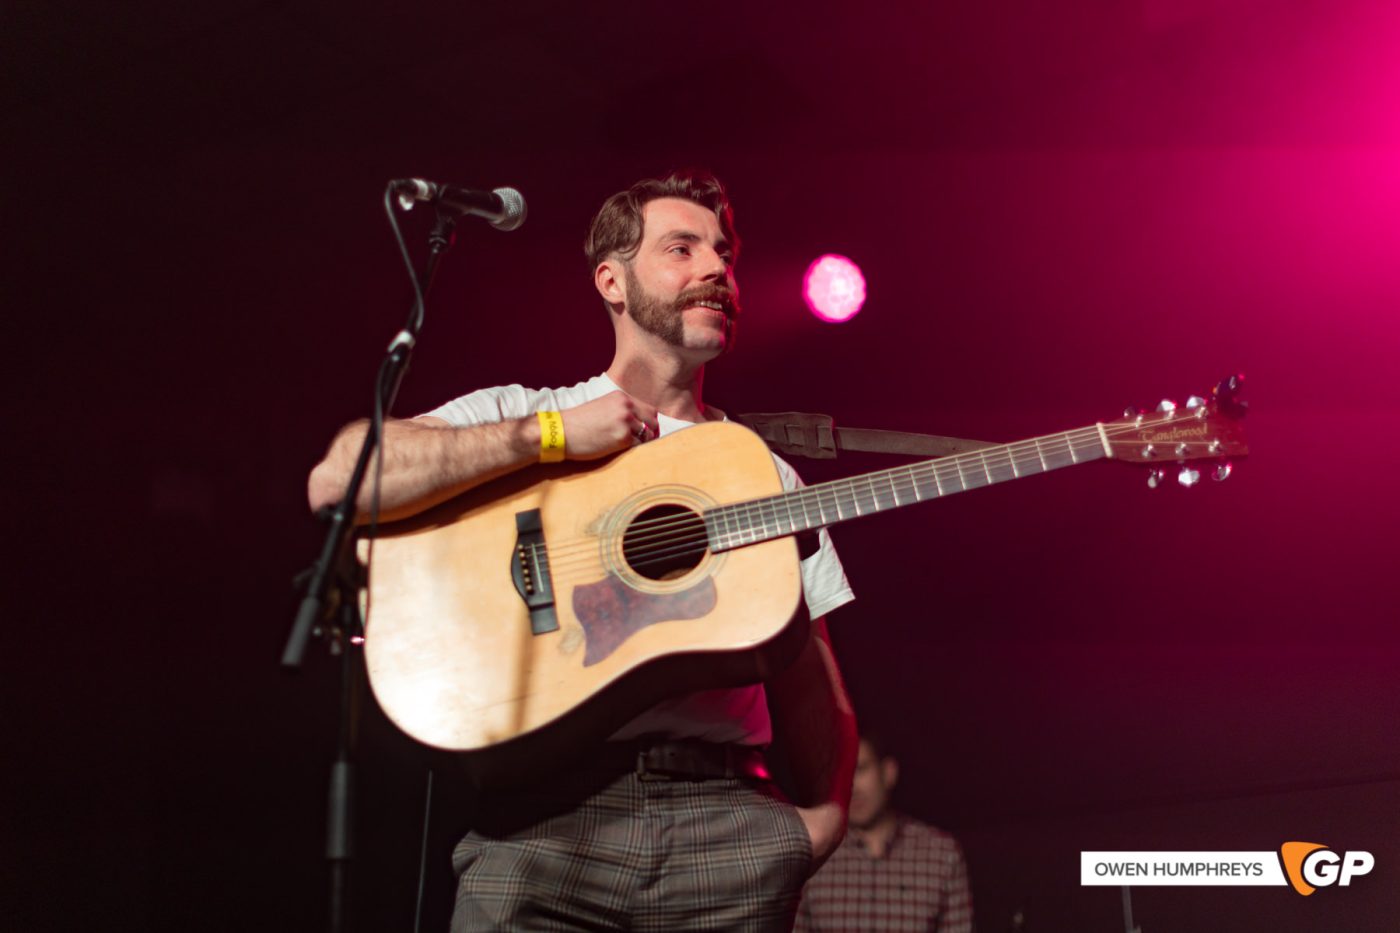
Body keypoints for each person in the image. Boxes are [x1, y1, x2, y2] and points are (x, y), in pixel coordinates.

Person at [307, 169, 858, 931]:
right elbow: (339, 478)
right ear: (613, 280)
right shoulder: (524, 412)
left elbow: (813, 676)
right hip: (536, 827)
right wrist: (554, 438)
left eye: (724, 253)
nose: (717, 269)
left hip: (726, 833)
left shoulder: (762, 469)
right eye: (681, 247)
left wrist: (819, 824)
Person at [794, 732, 972, 932]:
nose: (852, 787)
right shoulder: (815, 857)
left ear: (888, 772)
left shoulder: (941, 853)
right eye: (842, 775)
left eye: (860, 769)